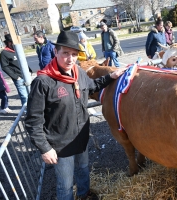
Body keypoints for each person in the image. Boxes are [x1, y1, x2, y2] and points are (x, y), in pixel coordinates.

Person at [25, 31, 125, 200]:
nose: (70, 58)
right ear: (55, 52)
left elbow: (92, 87)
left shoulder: (78, 72)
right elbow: (33, 121)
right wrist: (45, 148)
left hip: (81, 136)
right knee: (65, 185)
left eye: (74, 54)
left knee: (83, 168)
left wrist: (111, 77)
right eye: (65, 53)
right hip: (61, 144)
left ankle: (83, 194)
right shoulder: (43, 82)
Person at [0, 34, 31, 107]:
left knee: (32, 95)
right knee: (24, 96)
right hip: (19, 78)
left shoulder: (17, 50)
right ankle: (27, 112)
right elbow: (5, 67)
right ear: (8, 43)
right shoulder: (4, 53)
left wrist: (29, 71)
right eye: (12, 42)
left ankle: (34, 111)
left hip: (26, 75)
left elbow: (23, 61)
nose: (14, 44)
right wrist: (16, 77)